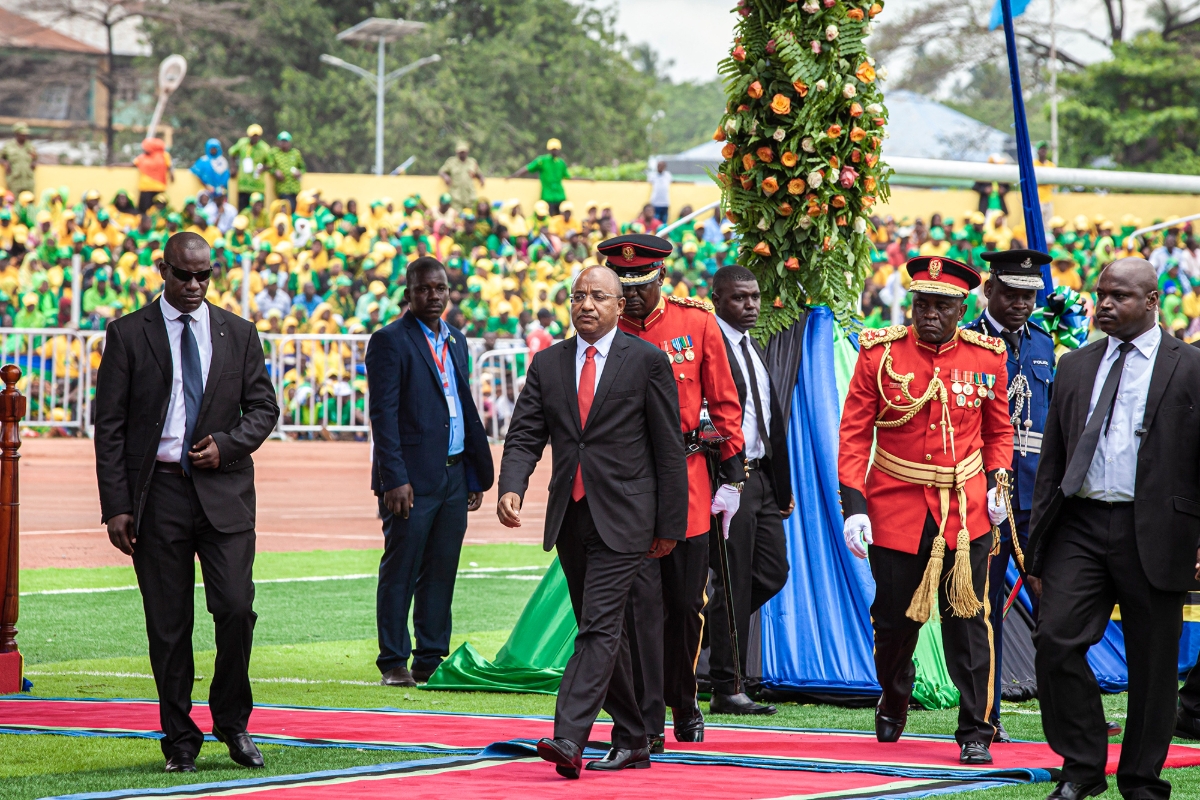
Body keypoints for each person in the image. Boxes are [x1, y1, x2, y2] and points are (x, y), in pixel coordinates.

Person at [93, 232, 279, 773]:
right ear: (162, 270)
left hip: (224, 492)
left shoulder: (239, 332)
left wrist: (228, 444)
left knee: (236, 610)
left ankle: (232, 721)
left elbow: (264, 409)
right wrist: (117, 506)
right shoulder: (127, 334)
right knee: (169, 626)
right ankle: (179, 737)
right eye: (183, 276)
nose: (194, 286)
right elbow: (110, 428)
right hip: (159, 495)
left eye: (203, 276)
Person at [496, 265, 687, 777]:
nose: (586, 304)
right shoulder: (549, 363)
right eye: (578, 295)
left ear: (619, 306)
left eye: (598, 296)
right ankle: (632, 736)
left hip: (628, 519)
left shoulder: (646, 360)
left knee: (599, 627)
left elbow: (669, 449)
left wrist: (670, 524)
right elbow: (524, 434)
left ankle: (568, 737)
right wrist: (511, 485)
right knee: (603, 633)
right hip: (572, 519)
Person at [1028, 257, 1200, 800]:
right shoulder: (1076, 365)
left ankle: (1141, 780)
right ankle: (1081, 768)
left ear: (1151, 302)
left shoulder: (1191, 366)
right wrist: (1039, 538)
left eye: (1118, 296)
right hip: (1078, 523)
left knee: (1153, 663)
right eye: (1100, 293)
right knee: (1055, 640)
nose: (1103, 303)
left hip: (1156, 529)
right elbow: (1053, 459)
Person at [838, 256, 1012, 766]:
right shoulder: (879, 353)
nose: (929, 314)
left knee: (970, 620)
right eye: (922, 303)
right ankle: (894, 694)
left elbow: (999, 431)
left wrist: (998, 481)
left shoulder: (988, 357)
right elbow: (854, 433)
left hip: (967, 511)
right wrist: (855, 506)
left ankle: (976, 729)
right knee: (892, 623)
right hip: (896, 507)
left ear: (964, 308)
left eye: (942, 306)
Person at [605, 233, 745, 748]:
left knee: (685, 606)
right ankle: (646, 718)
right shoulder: (605, 328)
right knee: (638, 609)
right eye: (623, 286)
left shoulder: (697, 322)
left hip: (686, 482)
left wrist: (732, 477)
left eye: (641, 285)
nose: (632, 295)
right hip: (624, 483)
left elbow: (725, 402)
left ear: (661, 278)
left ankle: (683, 701)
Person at [366, 256, 494, 687]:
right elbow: (382, 416)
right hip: (410, 480)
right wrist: (393, 479)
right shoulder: (389, 341)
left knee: (442, 568)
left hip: (455, 474)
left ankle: (431, 656)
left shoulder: (456, 340)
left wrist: (474, 475)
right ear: (408, 293)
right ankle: (393, 660)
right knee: (401, 568)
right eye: (424, 289)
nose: (434, 296)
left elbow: (460, 408)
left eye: (440, 288)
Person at [963, 249, 1055, 743]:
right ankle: (986, 715)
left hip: (1036, 501)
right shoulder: (967, 343)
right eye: (1012, 294)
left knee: (1059, 611)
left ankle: (1068, 714)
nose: (1021, 304)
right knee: (983, 609)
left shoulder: (1043, 345)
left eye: (1029, 296)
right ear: (989, 292)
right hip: (985, 498)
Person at [708, 265, 793, 716]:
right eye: (740, 298)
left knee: (772, 572)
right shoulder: (711, 344)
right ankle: (726, 684)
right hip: (730, 480)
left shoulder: (750, 345)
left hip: (762, 478)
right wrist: (727, 476)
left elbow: (768, 420)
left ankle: (711, 635)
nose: (752, 305)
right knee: (732, 581)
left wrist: (782, 488)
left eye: (756, 297)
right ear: (717, 298)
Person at [512, 138, 570, 216]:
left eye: (556, 149)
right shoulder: (542, 161)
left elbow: (568, 177)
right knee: (547, 217)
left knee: (560, 219)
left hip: (560, 196)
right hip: (547, 197)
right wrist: (514, 176)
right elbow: (528, 168)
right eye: (553, 149)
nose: (555, 151)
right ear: (549, 150)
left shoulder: (561, 163)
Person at [229, 125, 271, 212]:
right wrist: (233, 167)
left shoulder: (264, 148)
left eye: (256, 135)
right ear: (249, 135)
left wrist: (262, 168)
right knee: (243, 210)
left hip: (258, 186)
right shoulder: (242, 143)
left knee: (258, 211)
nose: (255, 137)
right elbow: (232, 153)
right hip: (244, 185)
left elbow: (270, 163)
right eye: (253, 135)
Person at [438, 141, 485, 212]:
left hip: (469, 195)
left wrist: (482, 178)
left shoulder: (472, 162)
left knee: (470, 215)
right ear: (457, 152)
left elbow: (479, 173)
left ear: (467, 152)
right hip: (456, 196)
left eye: (464, 152)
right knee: (457, 216)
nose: (462, 154)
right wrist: (446, 177)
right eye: (460, 152)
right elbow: (441, 171)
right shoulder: (451, 162)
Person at [133, 138, 173, 214]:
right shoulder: (142, 157)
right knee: (144, 211)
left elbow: (169, 166)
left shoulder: (164, 155)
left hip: (159, 188)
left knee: (159, 210)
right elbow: (133, 164)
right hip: (146, 188)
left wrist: (172, 174)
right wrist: (116, 165)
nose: (144, 149)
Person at [268, 132, 305, 214]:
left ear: (290, 142)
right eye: (282, 141)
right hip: (283, 187)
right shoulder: (274, 153)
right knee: (288, 207)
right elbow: (269, 167)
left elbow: (302, 168)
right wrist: (275, 171)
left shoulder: (295, 153)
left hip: (295, 187)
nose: (284, 144)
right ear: (278, 142)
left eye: (286, 141)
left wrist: (299, 172)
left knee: (296, 209)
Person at [1, 123, 37, 198]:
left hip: (28, 179)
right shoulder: (9, 146)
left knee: (29, 201)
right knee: (13, 201)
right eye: (22, 134)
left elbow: (35, 158)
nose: (24, 136)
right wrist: (5, 163)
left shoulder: (30, 146)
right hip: (14, 179)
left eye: (25, 134)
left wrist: (34, 163)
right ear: (17, 134)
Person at [648, 160, 672, 225]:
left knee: (664, 224)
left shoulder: (668, 175)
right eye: (658, 165)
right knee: (655, 223)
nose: (659, 167)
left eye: (661, 166)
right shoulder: (652, 175)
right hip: (655, 203)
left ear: (664, 167)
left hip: (665, 203)